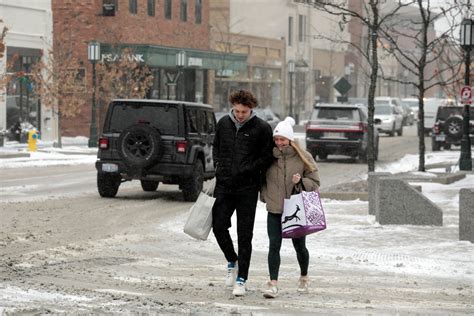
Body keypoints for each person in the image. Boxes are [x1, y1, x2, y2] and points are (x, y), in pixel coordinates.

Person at [212, 89, 274, 296]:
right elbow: (216, 146)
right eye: (237, 111)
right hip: (224, 185)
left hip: (248, 188)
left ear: (251, 109)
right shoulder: (223, 123)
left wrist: (249, 169)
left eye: (244, 112)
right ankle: (232, 260)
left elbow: (267, 157)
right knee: (218, 225)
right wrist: (220, 167)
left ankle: (242, 279)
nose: (239, 115)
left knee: (244, 234)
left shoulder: (262, 128)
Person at [260, 116, 320, 299]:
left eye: (282, 139)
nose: (279, 143)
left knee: (299, 247)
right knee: (274, 246)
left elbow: (315, 182)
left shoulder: (303, 157)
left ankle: (304, 276)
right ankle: (273, 284)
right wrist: (265, 196)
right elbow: (259, 177)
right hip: (275, 210)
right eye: (276, 139)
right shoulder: (268, 157)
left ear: (290, 140)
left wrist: (301, 181)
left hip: (295, 210)